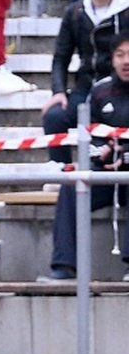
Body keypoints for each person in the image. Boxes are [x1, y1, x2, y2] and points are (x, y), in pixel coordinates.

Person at [39, 32, 129, 282]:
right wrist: (103, 154)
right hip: (105, 173)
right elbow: (87, 137)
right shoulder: (100, 92)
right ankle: (63, 267)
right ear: (111, 59)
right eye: (120, 55)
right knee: (71, 186)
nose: (126, 61)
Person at [42, 0, 129, 163]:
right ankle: (60, 171)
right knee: (54, 116)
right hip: (86, 87)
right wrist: (59, 91)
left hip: (120, 89)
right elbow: (61, 57)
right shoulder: (75, 13)